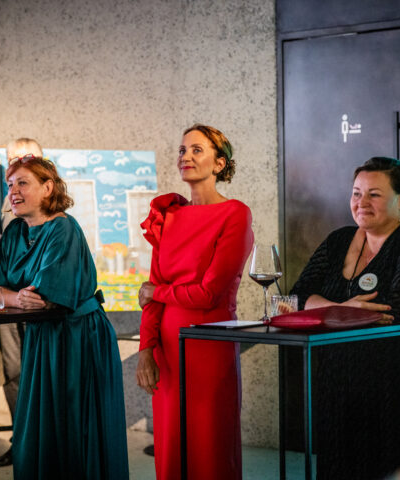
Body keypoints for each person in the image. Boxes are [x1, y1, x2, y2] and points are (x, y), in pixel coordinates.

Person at [290, 156, 400, 479]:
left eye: (374, 194)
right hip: (343, 387)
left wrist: (325, 309)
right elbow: (295, 297)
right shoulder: (338, 241)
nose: (362, 202)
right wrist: (344, 310)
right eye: (356, 193)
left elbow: (398, 313)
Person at [0, 155, 129, 479]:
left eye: (23, 183)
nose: (13, 192)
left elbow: (45, 298)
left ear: (48, 187)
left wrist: (13, 297)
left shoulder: (63, 228)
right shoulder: (13, 232)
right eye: (10, 185)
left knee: (75, 429)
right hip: (42, 338)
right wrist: (15, 298)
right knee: (40, 430)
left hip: (78, 338)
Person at [135, 124, 254, 480]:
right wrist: (146, 349)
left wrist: (157, 292)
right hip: (168, 349)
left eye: (197, 150)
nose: (185, 156)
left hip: (210, 343)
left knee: (210, 444)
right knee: (171, 445)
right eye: (182, 150)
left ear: (219, 164)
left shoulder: (235, 213)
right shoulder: (168, 214)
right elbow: (152, 291)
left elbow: (208, 294)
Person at [0, 137, 43, 468]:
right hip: (8, 303)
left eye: (27, 157)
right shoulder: (7, 207)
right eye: (13, 159)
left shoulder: (54, 206)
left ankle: (43, 441)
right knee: (13, 370)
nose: (19, 163)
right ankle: (20, 441)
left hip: (39, 305)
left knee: (41, 370)